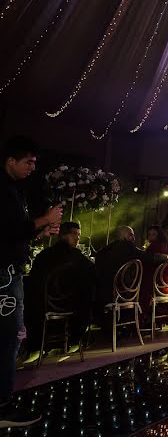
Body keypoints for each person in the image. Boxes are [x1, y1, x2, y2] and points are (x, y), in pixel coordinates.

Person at [0, 136, 62, 428]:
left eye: (35, 162)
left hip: (10, 270)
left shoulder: (14, 189)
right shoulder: (3, 189)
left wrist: (39, 231)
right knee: (8, 336)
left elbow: (16, 234)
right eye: (28, 162)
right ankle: (2, 405)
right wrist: (42, 219)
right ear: (10, 161)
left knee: (9, 336)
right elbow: (7, 230)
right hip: (3, 274)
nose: (32, 168)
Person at [24, 221, 95, 358]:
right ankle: (75, 339)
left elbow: (32, 282)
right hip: (69, 307)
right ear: (65, 235)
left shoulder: (43, 255)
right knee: (87, 293)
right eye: (76, 235)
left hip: (42, 308)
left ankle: (40, 343)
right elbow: (93, 274)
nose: (78, 239)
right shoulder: (76, 256)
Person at [93, 226, 165, 321]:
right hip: (124, 293)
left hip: (103, 294)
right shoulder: (128, 247)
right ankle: (136, 321)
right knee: (144, 287)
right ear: (123, 236)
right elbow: (149, 257)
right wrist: (167, 257)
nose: (134, 238)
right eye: (131, 235)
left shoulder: (104, 251)